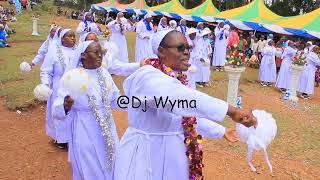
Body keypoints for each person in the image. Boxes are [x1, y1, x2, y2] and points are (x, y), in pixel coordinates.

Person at [114, 30, 257, 180]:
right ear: (161, 52)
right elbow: (181, 99)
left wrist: (222, 131)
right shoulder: (147, 77)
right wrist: (231, 111)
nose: (187, 52)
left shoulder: (177, 79)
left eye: (189, 48)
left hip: (173, 155)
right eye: (180, 48)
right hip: (146, 154)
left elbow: (188, 117)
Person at [53, 41, 121, 179]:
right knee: (90, 164)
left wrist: (138, 104)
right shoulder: (73, 76)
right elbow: (57, 108)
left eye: (101, 53)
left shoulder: (104, 73)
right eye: (95, 53)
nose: (100, 56)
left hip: (108, 127)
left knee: (113, 159)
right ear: (83, 55)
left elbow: (114, 99)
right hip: (85, 128)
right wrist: (66, 105)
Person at [40, 29, 77, 148]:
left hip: (75, 86)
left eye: (74, 36)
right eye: (69, 36)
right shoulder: (54, 51)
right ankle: (61, 139)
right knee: (61, 110)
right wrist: (45, 84)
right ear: (62, 39)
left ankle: (73, 136)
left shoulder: (79, 51)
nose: (73, 38)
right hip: (58, 86)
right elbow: (46, 71)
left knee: (73, 110)